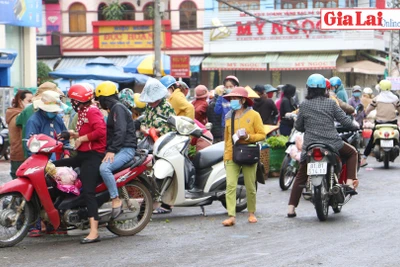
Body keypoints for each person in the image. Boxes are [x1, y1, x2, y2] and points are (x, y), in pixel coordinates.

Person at [287, 74, 359, 218]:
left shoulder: (304, 105)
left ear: (308, 89)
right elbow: (345, 121)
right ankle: (350, 184)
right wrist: (354, 125)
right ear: (325, 89)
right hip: (332, 143)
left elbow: (299, 126)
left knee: (301, 175)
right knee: (352, 153)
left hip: (310, 145)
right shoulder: (331, 103)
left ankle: (291, 208)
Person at [54, 83, 107, 244]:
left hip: (93, 156)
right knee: (55, 165)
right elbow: (86, 131)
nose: (72, 103)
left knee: (88, 191)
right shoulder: (84, 111)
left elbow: (101, 131)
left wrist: (81, 139)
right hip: (83, 154)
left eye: (73, 100)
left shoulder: (92, 111)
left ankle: (94, 231)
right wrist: (70, 134)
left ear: (79, 100)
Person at [221, 87, 266, 226]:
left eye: (235, 98)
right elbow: (227, 138)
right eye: (231, 99)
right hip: (232, 154)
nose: (232, 101)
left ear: (242, 100)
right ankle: (231, 216)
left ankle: (251, 213)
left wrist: (248, 137)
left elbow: (262, 135)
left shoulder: (254, 115)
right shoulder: (229, 116)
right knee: (230, 186)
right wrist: (226, 156)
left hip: (248, 153)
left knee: (250, 186)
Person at [95, 81, 137, 219]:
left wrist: (111, 150)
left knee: (104, 169)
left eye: (99, 100)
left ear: (104, 99)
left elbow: (120, 131)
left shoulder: (118, 108)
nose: (99, 103)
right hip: (119, 148)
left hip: (126, 149)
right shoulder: (115, 109)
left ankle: (115, 199)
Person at [139, 78, 176, 214]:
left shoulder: (167, 107)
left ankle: (167, 203)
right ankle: (152, 201)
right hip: (150, 144)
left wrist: (157, 131)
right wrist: (146, 130)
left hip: (164, 145)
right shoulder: (149, 107)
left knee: (164, 174)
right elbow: (145, 123)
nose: (150, 102)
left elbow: (172, 128)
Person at [16, 82, 64, 159]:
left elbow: (65, 138)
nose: (54, 113)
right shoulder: (33, 119)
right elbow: (30, 144)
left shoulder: (57, 118)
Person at [360, 80, 400, 167]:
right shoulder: (395, 99)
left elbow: (368, 110)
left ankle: (363, 159)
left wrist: (364, 114)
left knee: (371, 141)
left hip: (379, 124)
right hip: (392, 124)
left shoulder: (377, 99)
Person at [25, 91, 70, 160]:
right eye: (53, 112)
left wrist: (66, 154)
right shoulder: (34, 121)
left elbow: (65, 140)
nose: (55, 113)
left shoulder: (57, 119)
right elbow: (31, 146)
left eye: (55, 112)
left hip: (59, 159)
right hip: (41, 161)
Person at [6, 90, 33, 179]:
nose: (32, 104)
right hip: (20, 156)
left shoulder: (13, 114)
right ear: (20, 101)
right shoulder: (19, 116)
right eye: (29, 101)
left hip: (16, 155)